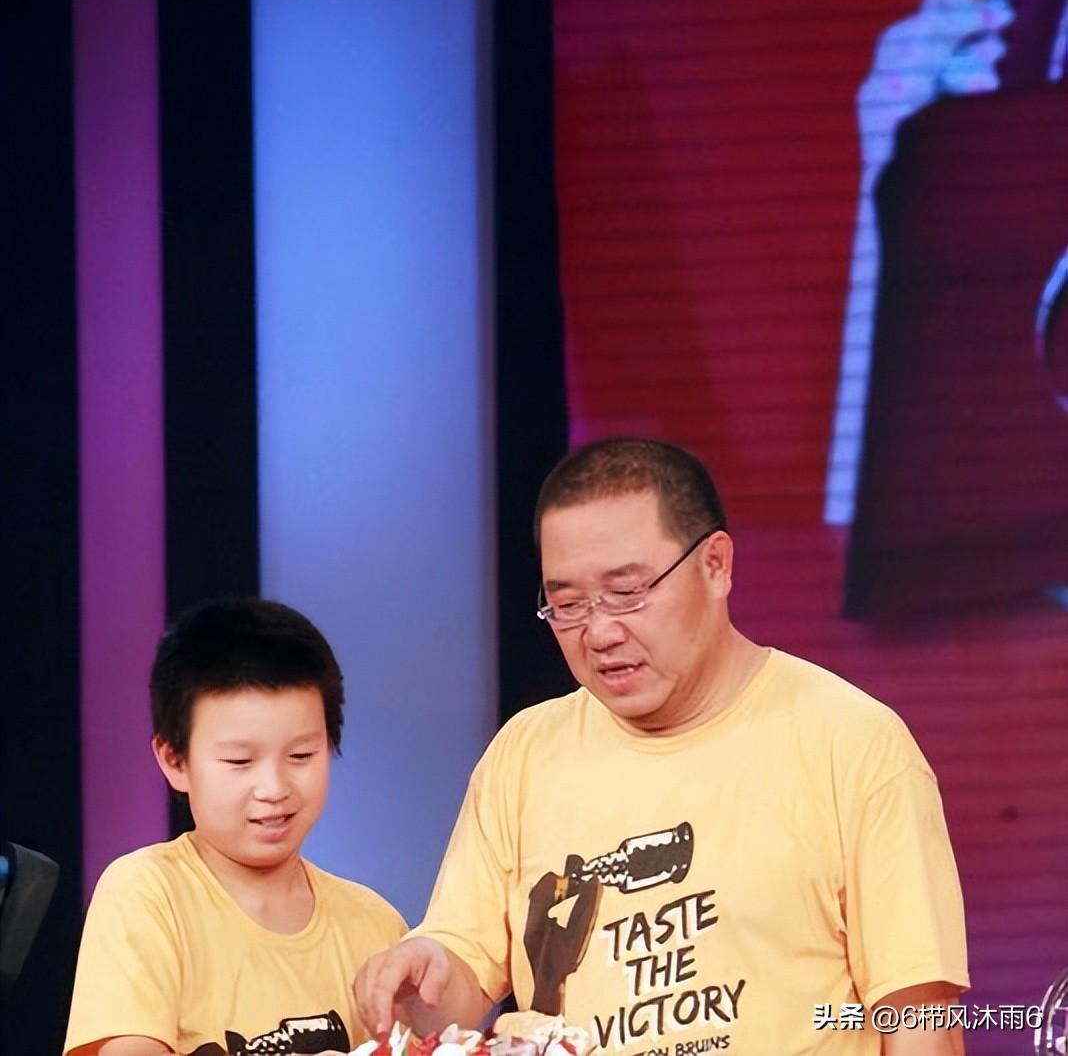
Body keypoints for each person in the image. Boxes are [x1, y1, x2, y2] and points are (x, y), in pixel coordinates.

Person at [356, 438, 969, 1056]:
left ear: (716, 565)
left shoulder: (852, 743)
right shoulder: (524, 754)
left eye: (627, 593)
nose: (599, 632)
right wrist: (421, 969)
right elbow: (457, 983)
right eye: (567, 605)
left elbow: (918, 1017)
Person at [65, 597, 406, 1056]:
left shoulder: (375, 924)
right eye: (240, 761)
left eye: (301, 755)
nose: (274, 788)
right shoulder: (146, 894)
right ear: (175, 760)